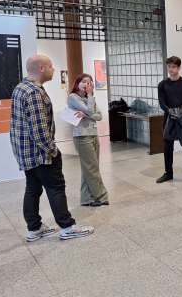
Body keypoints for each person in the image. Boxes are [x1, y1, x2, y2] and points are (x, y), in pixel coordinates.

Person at [10, 54, 94, 241]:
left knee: (32, 189)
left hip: (26, 153)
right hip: (40, 154)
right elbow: (39, 131)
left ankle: (34, 228)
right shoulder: (34, 92)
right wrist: (53, 151)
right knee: (56, 187)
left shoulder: (21, 87)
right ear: (41, 68)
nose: (54, 69)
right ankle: (67, 227)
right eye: (51, 66)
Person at [67, 73, 109, 207]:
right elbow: (91, 110)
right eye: (84, 82)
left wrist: (86, 115)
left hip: (93, 134)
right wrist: (90, 99)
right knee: (91, 168)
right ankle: (101, 196)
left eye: (89, 82)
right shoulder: (73, 97)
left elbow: (99, 116)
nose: (87, 85)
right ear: (77, 83)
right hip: (82, 136)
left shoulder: (89, 98)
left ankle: (86, 198)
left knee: (89, 168)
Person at [156, 56, 182, 183]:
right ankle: (168, 173)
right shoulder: (162, 84)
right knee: (167, 146)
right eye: (169, 66)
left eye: (173, 67)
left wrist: (179, 113)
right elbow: (162, 103)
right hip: (169, 118)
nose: (171, 69)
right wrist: (171, 112)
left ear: (179, 67)